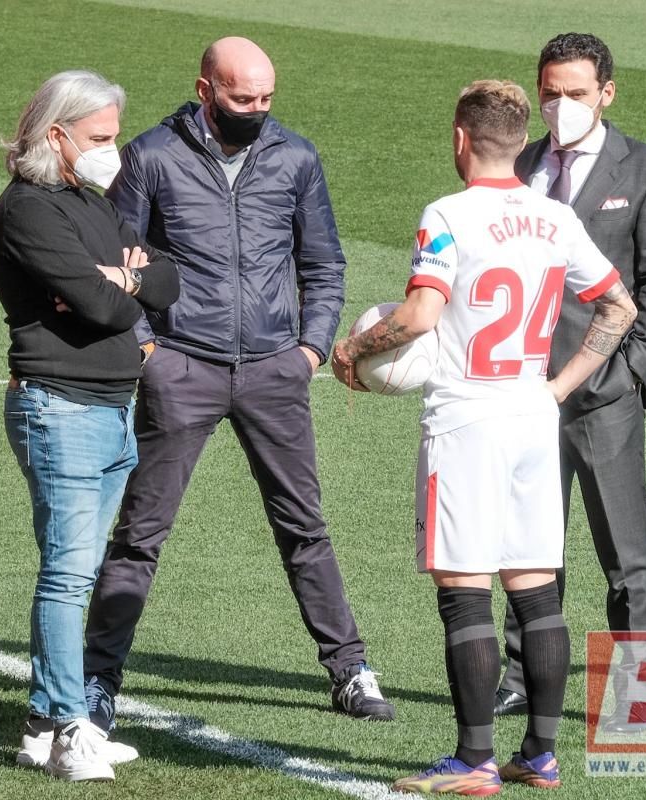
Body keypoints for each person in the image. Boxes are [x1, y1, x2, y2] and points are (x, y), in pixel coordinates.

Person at [332, 80, 638, 794]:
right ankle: (539, 754)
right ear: (517, 136)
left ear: (461, 139)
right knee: (536, 591)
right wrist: (558, 389)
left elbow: (417, 316)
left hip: (466, 419)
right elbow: (618, 306)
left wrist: (355, 352)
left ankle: (473, 761)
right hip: (534, 413)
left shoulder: (447, 213)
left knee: (466, 590)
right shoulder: (555, 216)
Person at [82, 36, 395, 724]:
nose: (256, 109)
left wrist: (310, 350)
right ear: (205, 92)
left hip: (274, 370)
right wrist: (147, 351)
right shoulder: (151, 157)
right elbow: (115, 260)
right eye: (241, 98)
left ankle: (349, 670)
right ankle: (98, 681)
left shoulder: (296, 157)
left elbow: (324, 262)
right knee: (141, 532)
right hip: (181, 368)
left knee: (304, 528)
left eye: (265, 99)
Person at [0, 69, 179, 781]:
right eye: (100, 137)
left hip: (108, 407)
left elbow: (166, 280)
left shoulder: (88, 202)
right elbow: (106, 309)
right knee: (69, 576)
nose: (113, 149)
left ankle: (42, 724)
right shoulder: (29, 211)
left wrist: (118, 279)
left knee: (80, 569)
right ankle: (72, 728)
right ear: (56, 133)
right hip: (59, 408)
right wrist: (117, 285)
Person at [493, 33, 646, 730]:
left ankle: (643, 692)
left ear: (607, 92)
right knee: (527, 546)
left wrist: (632, 370)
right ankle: (520, 674)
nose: (560, 105)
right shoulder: (516, 164)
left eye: (575, 93)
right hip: (519, 392)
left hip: (602, 395)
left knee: (626, 554)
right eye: (549, 92)